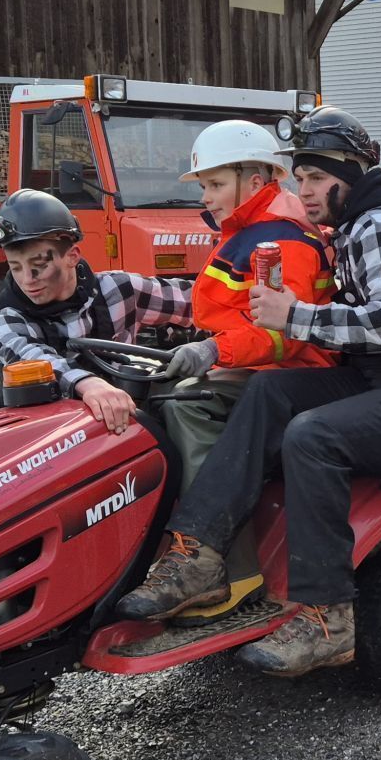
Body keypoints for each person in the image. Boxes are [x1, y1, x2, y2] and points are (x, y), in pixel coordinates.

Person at [114, 108, 381, 676]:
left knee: (313, 435)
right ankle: (201, 555)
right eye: (300, 177)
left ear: (352, 173)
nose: (304, 189)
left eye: (317, 177)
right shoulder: (352, 228)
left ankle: (328, 616)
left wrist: (295, 317)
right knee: (270, 393)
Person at [134, 121, 337, 625]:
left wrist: (213, 353)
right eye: (204, 185)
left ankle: (225, 564)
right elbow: (230, 311)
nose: (206, 197)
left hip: (291, 369)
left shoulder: (278, 240)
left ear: (255, 180)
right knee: (148, 396)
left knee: (188, 406)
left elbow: (282, 334)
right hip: (255, 361)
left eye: (215, 184)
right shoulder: (253, 230)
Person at [0, 188, 192, 436]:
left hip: (123, 424)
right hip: (47, 439)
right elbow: (37, 359)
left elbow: (199, 301)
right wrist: (89, 383)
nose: (27, 280)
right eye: (15, 267)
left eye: (39, 265)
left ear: (72, 256)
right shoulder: (6, 322)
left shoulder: (119, 289)